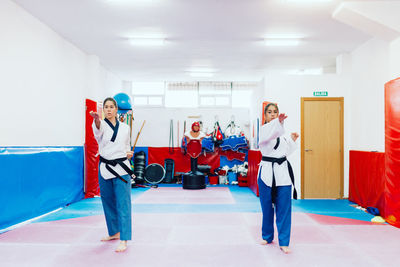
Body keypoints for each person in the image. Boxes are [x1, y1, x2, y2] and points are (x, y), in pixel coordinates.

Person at [90, 97, 134, 253]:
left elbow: (127, 144)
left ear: (116, 109)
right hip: (105, 168)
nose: (109, 109)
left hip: (122, 168)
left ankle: (124, 238)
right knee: (107, 201)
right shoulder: (100, 124)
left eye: (111, 107)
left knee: (124, 204)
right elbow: (97, 130)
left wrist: (129, 153)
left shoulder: (125, 127)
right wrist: (96, 119)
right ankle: (114, 232)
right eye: (106, 107)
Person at [258, 103, 299, 254]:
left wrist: (292, 141)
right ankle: (267, 236)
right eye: (269, 112)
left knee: (284, 209)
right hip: (267, 173)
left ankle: (284, 241)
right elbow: (271, 133)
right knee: (267, 208)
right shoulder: (263, 131)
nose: (273, 114)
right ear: (265, 115)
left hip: (282, 174)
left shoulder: (282, 136)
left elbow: (285, 152)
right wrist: (279, 123)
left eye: (275, 112)